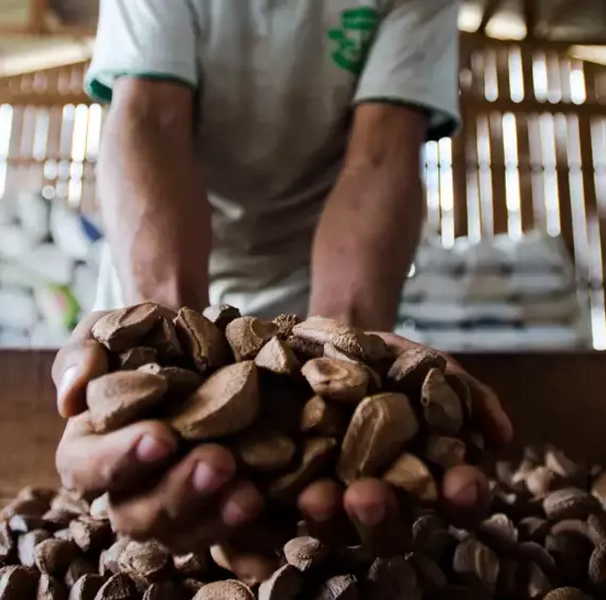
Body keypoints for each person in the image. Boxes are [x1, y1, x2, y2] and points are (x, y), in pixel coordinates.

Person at [51, 0, 513, 580]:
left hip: (316, 271)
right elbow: (151, 120)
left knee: (324, 518)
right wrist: (167, 365)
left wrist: (347, 366)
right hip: (169, 261)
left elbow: (380, 153)